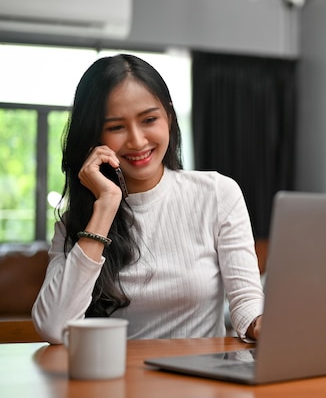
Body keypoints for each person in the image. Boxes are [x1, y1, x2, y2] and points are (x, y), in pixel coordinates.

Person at [32, 54, 264, 344]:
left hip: (202, 382)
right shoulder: (79, 222)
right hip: (115, 381)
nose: (138, 141)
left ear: (168, 116)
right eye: (116, 127)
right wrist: (105, 208)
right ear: (94, 135)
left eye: (149, 120)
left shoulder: (217, 193)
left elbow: (247, 305)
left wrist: (264, 324)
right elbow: (54, 328)